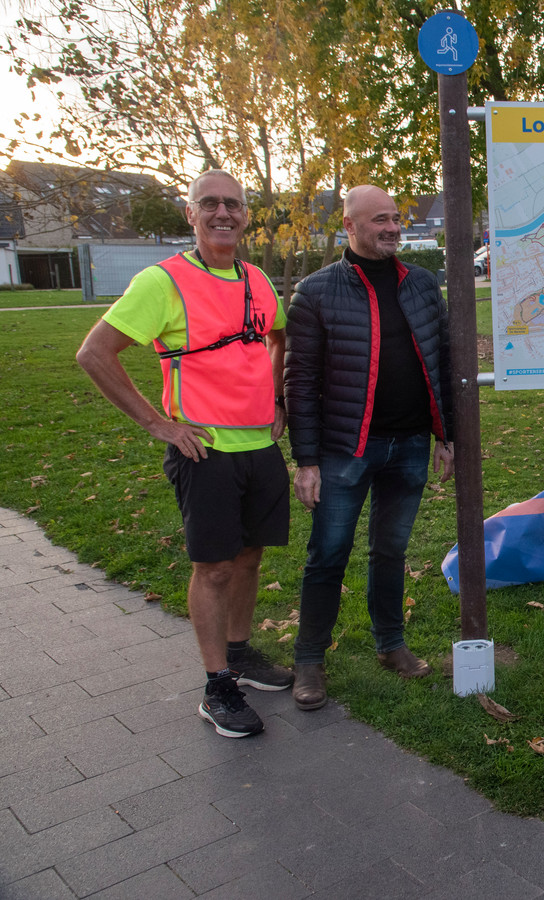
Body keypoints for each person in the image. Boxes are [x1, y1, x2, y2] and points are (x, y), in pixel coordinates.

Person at [76, 170, 293, 740]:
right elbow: (95, 353)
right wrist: (158, 423)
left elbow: (279, 338)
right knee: (215, 567)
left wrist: (276, 396)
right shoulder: (162, 281)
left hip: (261, 448)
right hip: (205, 453)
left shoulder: (258, 279)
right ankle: (216, 684)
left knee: (249, 558)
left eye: (234, 205)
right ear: (190, 214)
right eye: (210, 204)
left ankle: (241, 653)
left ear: (246, 215)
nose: (224, 213)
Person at [285, 184, 455, 711]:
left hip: (408, 446)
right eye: (379, 219)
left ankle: (391, 645)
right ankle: (310, 659)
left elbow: (443, 364)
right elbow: (300, 382)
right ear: (351, 225)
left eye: (395, 218)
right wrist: (306, 460)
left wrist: (447, 437)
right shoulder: (316, 292)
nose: (391, 227)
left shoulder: (423, 285)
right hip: (344, 449)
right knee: (328, 554)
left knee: (391, 550)